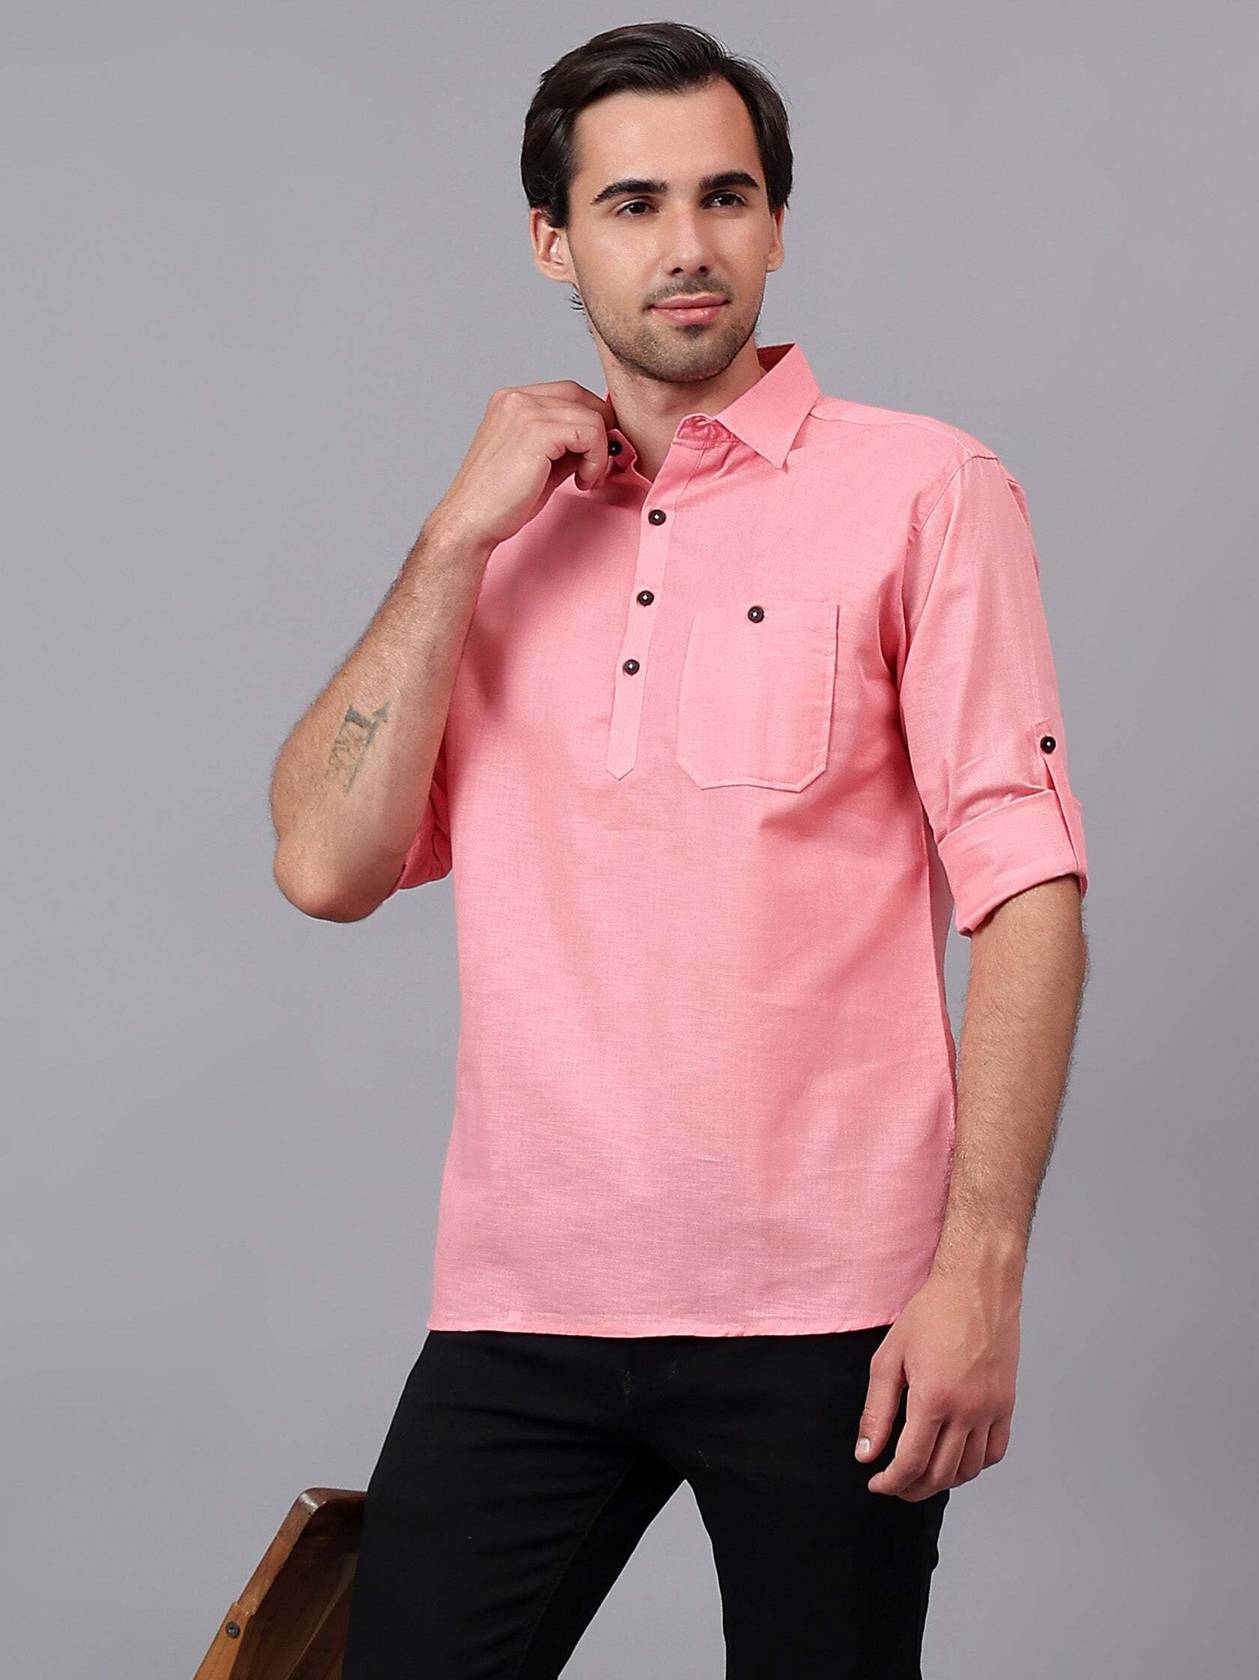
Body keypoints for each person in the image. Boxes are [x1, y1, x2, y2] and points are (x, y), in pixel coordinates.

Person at [269, 20, 1090, 1678]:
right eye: (633, 205)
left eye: (726, 196)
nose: (690, 245)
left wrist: (980, 1270)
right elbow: (324, 866)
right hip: (522, 1301)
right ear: (553, 242)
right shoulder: (497, 535)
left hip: (835, 1313)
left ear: (778, 221)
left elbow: (1027, 887)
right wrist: (452, 535)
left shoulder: (928, 491)